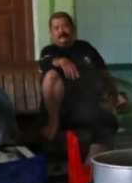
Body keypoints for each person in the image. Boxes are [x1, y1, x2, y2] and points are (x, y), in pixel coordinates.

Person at [38, 12, 126, 158]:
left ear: (73, 28)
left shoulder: (86, 48)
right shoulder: (49, 51)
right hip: (61, 110)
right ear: (51, 33)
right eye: (56, 28)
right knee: (52, 75)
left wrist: (115, 96)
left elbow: (104, 74)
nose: (61, 31)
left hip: (87, 107)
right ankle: (53, 123)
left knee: (108, 123)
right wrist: (61, 61)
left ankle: (93, 168)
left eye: (65, 26)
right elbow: (44, 63)